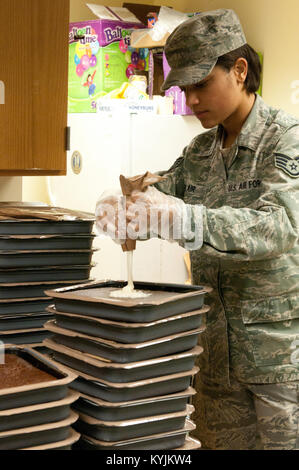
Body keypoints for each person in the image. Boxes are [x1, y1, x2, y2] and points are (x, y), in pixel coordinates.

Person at [95, 9, 299, 450]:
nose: (191, 99)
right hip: (213, 362)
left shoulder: (285, 139)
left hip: (279, 367)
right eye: (184, 88)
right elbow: (159, 196)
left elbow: (280, 226)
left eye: (201, 84)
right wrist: (127, 208)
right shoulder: (199, 151)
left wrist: (181, 218)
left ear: (239, 70)